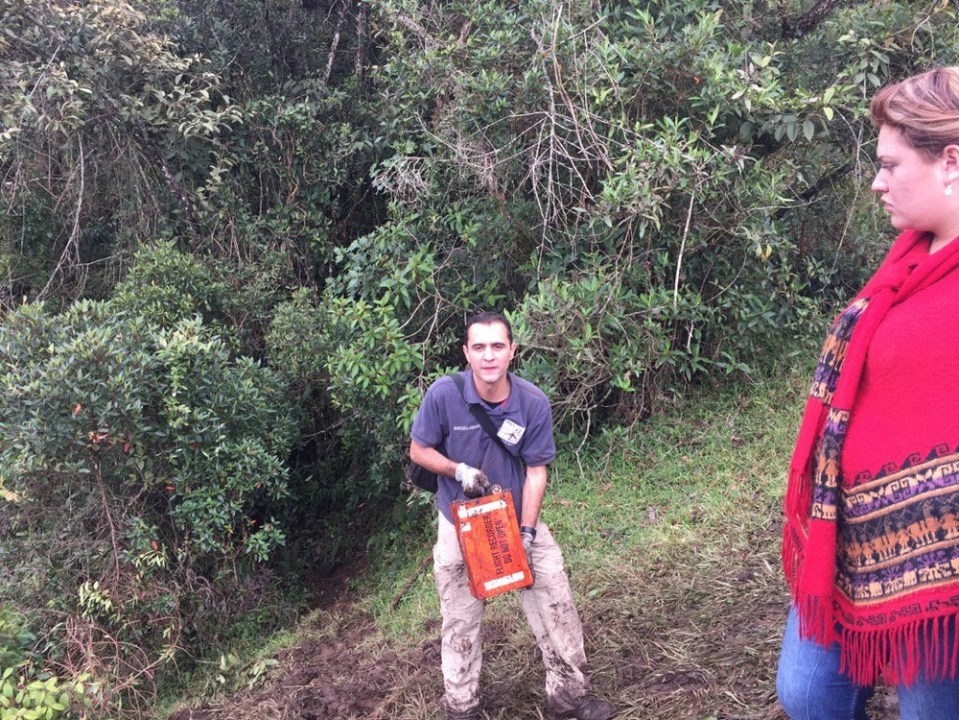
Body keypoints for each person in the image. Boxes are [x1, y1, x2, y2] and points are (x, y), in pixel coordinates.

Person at [776, 66, 959, 719]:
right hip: (848, 536)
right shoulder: (908, 257)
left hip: (937, 572)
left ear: (949, 162)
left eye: (888, 164)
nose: (876, 181)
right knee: (806, 694)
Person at [410, 311, 612, 720]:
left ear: (512, 351)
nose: (489, 356)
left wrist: (527, 532)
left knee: (556, 600)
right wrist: (457, 469)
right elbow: (419, 450)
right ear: (466, 353)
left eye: (497, 346)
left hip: (516, 516)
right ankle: (462, 707)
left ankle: (568, 701)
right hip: (460, 523)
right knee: (460, 619)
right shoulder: (443, 395)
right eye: (479, 347)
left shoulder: (531, 402)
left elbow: (537, 472)